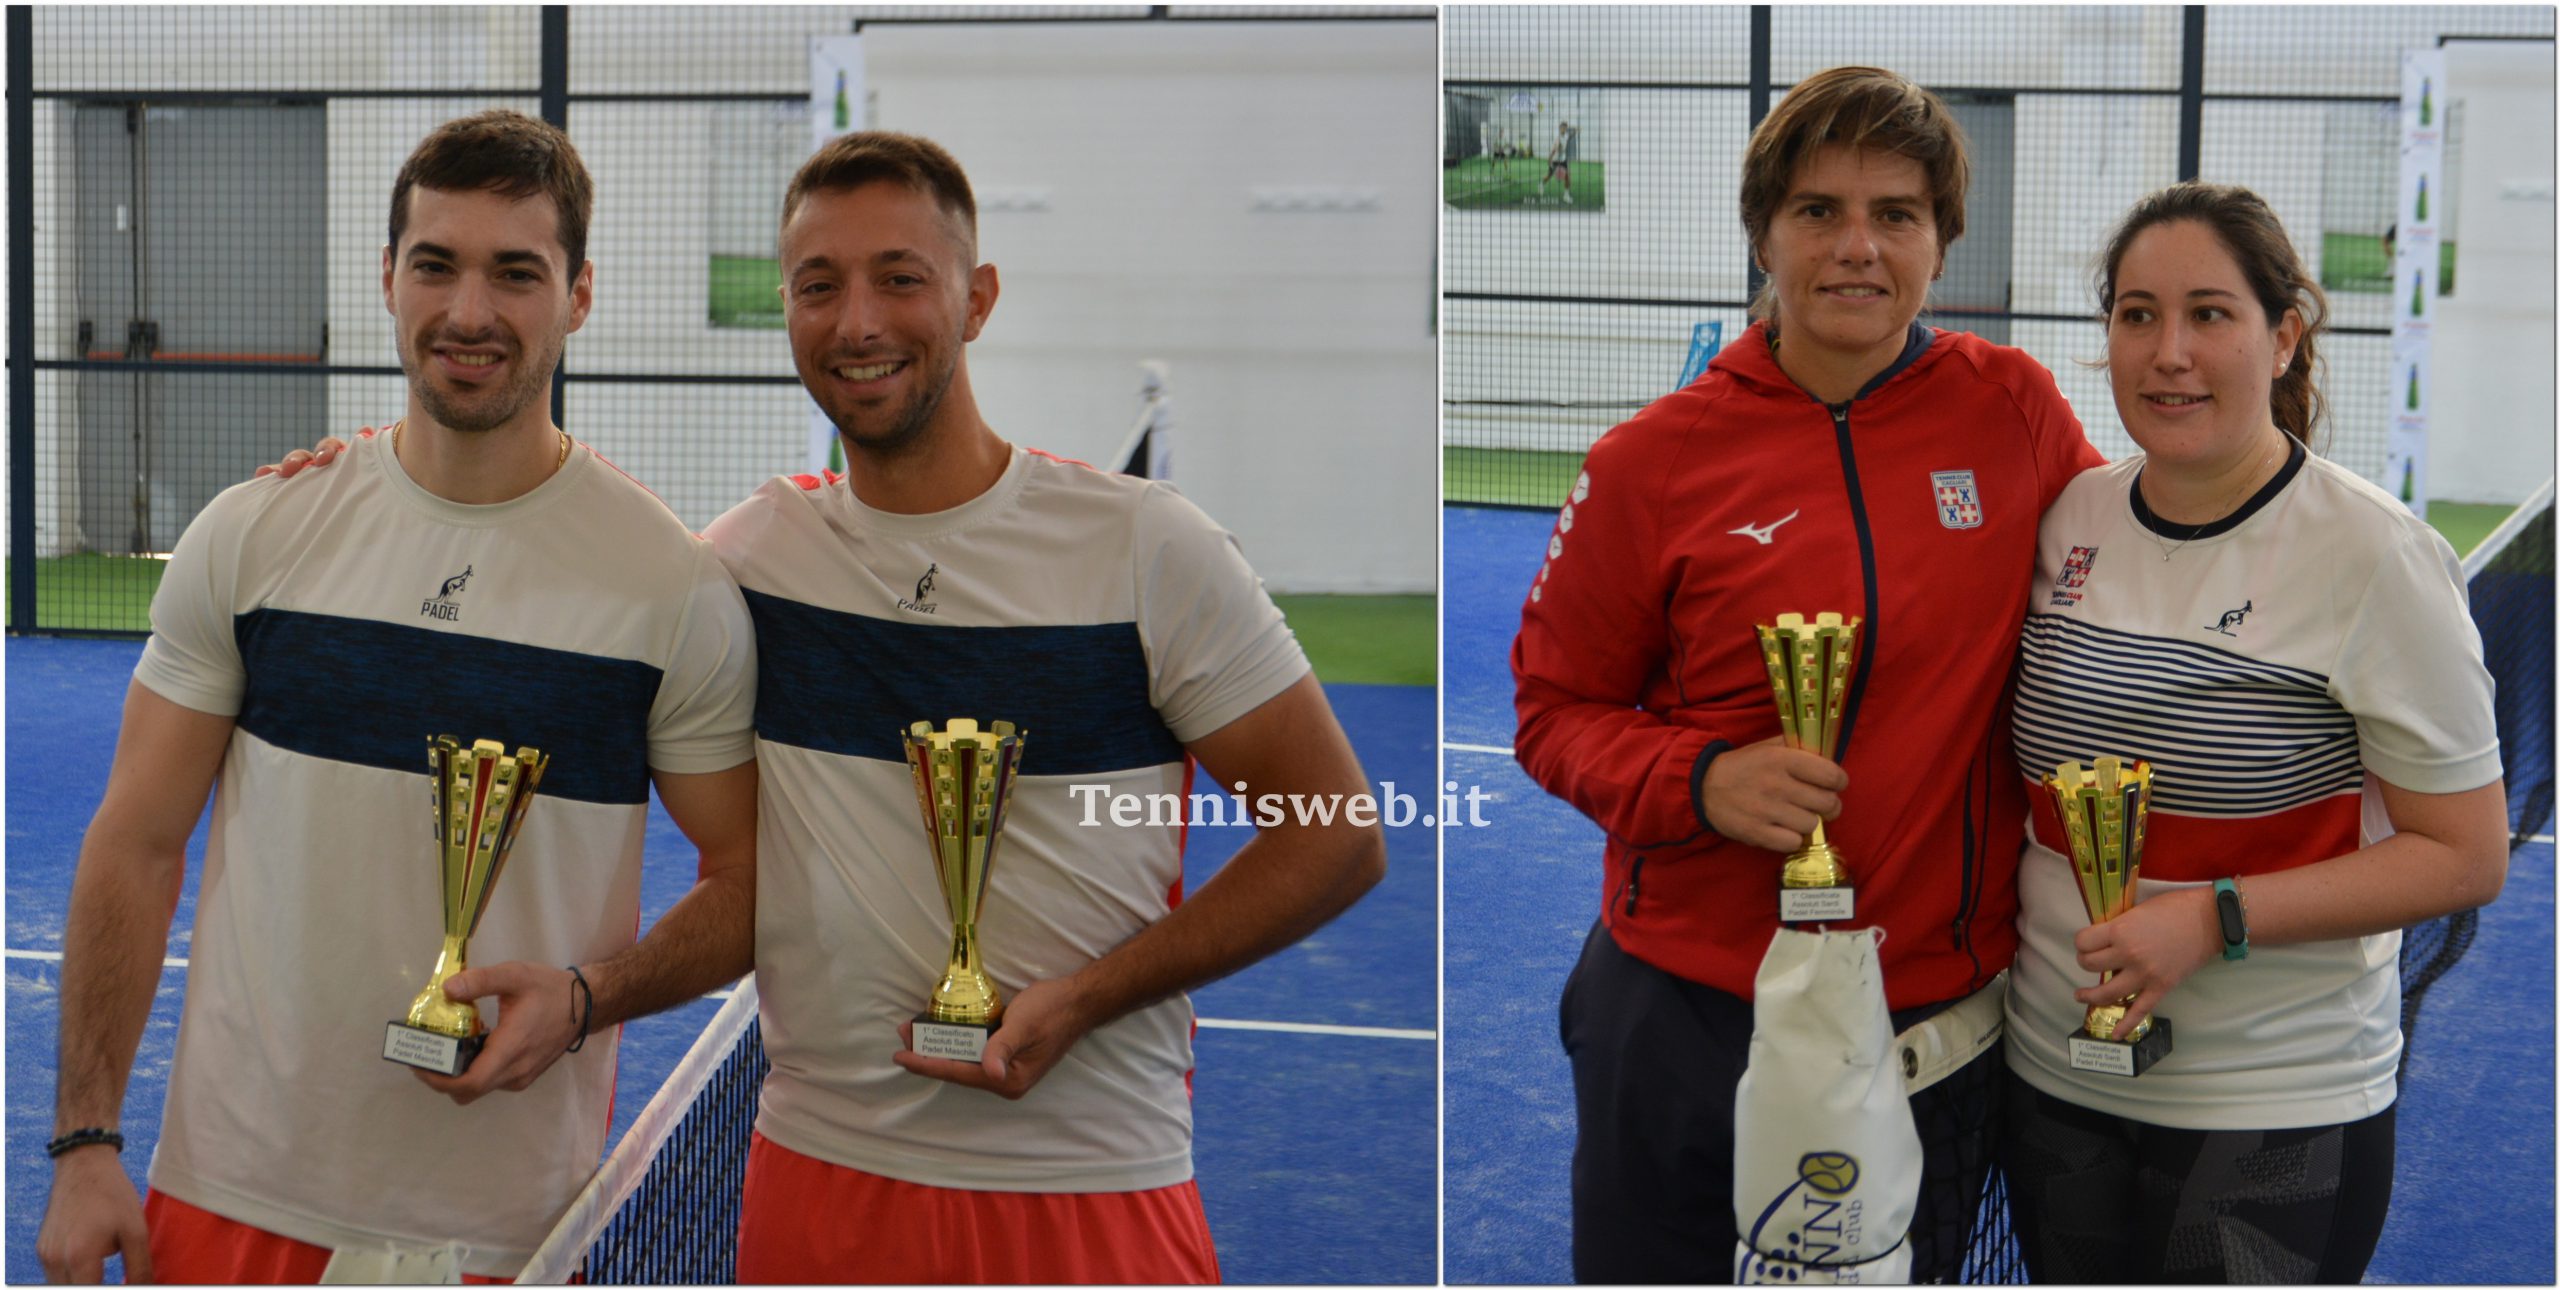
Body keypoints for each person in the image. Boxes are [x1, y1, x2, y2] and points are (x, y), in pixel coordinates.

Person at [263, 129, 1389, 1284]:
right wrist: (358, 492)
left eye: (899, 278)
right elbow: (534, 571)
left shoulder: (1149, 550)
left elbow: (1337, 833)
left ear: (976, 298)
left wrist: (1085, 1000)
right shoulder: (747, 567)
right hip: (815, 1189)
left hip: (1092, 1188)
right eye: (818, 287)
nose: (857, 323)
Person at [35, 110, 761, 1285]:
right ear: (387, 278)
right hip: (227, 1199)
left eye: (516, 273)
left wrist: (586, 1001)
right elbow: (135, 839)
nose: (470, 312)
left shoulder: (669, 589)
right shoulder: (257, 533)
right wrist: (83, 1143)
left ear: (579, 297)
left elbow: (752, 881)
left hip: (509, 1239)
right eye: (437, 265)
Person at [1510, 66, 2102, 1283]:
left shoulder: (2015, 414)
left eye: (1895, 213)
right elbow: (1552, 712)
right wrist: (1698, 778)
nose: (1857, 247)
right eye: (1818, 211)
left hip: (1930, 1017)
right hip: (1686, 1011)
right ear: (1763, 237)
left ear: (1941, 243)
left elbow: (2129, 581)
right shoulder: (1650, 461)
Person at [1999, 181, 2507, 1284]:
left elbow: (2464, 855)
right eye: (2136, 315)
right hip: (2050, 1077)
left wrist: (2208, 922)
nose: (2167, 351)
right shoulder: (2070, 518)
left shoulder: (2377, 554)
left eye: (2208, 314)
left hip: (2275, 1107)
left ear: (2282, 337)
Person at [1539, 120, 1577, 203]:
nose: (1563, 129)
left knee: (1567, 177)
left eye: (1565, 128)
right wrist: (1549, 159)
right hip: (1555, 160)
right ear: (1560, 129)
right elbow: (1554, 150)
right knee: (1549, 176)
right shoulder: (1558, 138)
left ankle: (1566, 196)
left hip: (1563, 160)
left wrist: (1575, 132)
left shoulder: (1566, 135)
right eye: (1562, 128)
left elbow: (1569, 137)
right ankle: (1541, 184)